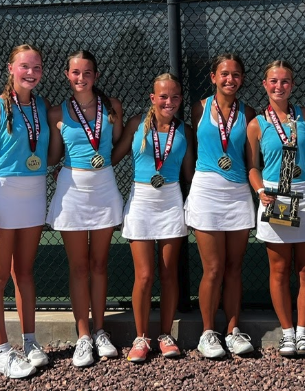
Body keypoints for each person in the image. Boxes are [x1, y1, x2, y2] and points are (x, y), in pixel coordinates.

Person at [0, 43, 50, 378]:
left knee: (25, 273)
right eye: (24, 67)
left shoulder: (41, 106)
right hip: (2, 198)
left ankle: (29, 342)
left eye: (36, 67)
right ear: (11, 69)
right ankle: (1, 353)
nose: (30, 73)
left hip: (33, 196)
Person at [46, 50, 124, 367]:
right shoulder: (56, 114)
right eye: (76, 73)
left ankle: (100, 329)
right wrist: (53, 168)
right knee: (78, 267)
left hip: (104, 187)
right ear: (68, 75)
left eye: (87, 72)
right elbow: (53, 154)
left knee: (99, 264)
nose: (81, 78)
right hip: (72, 191)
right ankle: (83, 336)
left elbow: (116, 146)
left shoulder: (113, 108)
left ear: (96, 75)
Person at [111, 73, 194, 363]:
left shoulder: (184, 130)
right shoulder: (135, 124)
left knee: (170, 273)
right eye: (163, 96)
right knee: (145, 275)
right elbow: (111, 157)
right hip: (141, 202)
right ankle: (141, 337)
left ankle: (165, 335)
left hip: (171, 201)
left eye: (174, 97)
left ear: (180, 99)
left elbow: (190, 174)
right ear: (152, 98)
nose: (168, 102)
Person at [246, 61, 305, 356]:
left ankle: (304, 332)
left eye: (285, 81)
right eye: (273, 81)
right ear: (264, 85)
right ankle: (287, 333)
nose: (279, 86)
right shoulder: (256, 124)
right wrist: (260, 191)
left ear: (292, 85)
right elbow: (252, 167)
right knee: (279, 270)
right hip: (275, 196)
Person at [185, 53, 256, 358]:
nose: (230, 79)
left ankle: (233, 330)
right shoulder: (198, 108)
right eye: (224, 74)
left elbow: (252, 160)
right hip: (206, 191)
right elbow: (189, 151)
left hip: (239, 193)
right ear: (213, 77)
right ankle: (207, 332)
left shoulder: (250, 112)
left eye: (236, 74)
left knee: (233, 268)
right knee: (212, 268)